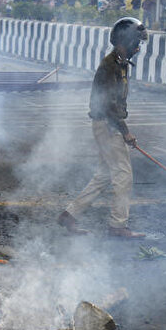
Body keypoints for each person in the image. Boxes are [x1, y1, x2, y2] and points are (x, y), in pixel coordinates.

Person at [58, 17, 148, 238]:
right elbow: (108, 105)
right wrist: (124, 131)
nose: (138, 47)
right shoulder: (110, 66)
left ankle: (70, 215)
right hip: (108, 126)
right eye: (136, 42)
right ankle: (118, 226)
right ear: (124, 42)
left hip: (107, 125)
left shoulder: (120, 63)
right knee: (123, 175)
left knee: (105, 175)